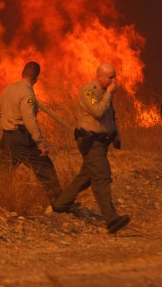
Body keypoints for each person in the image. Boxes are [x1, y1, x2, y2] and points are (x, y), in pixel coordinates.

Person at [54, 63, 131, 233]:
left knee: (87, 176)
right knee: (102, 176)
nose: (113, 80)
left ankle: (61, 204)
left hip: (102, 142)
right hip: (90, 141)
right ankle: (111, 219)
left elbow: (110, 117)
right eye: (110, 77)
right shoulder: (89, 91)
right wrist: (109, 95)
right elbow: (97, 111)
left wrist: (116, 136)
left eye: (114, 76)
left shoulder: (105, 93)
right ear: (100, 76)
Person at [0, 61, 65, 208]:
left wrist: (6, 129)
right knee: (44, 166)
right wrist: (41, 143)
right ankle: (60, 204)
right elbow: (30, 121)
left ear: (22, 73)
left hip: (7, 138)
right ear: (36, 78)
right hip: (21, 138)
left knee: (4, 171)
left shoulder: (9, 88)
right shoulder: (27, 94)